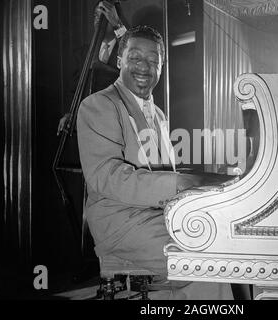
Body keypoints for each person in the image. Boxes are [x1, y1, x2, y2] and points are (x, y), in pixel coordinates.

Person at [76, 25, 233, 300]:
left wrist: (210, 182)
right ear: (119, 60)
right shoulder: (98, 105)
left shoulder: (158, 114)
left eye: (153, 61)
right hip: (121, 222)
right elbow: (107, 176)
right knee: (209, 255)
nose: (144, 67)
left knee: (224, 243)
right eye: (135, 57)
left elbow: (162, 171)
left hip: (157, 217)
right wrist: (182, 183)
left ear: (162, 67)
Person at [57, 0, 127, 136]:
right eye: (96, 16)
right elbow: (74, 88)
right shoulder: (82, 53)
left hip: (115, 127)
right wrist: (69, 112)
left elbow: (132, 54)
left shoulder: (125, 49)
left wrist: (118, 25)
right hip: (87, 127)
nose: (98, 20)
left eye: (104, 15)